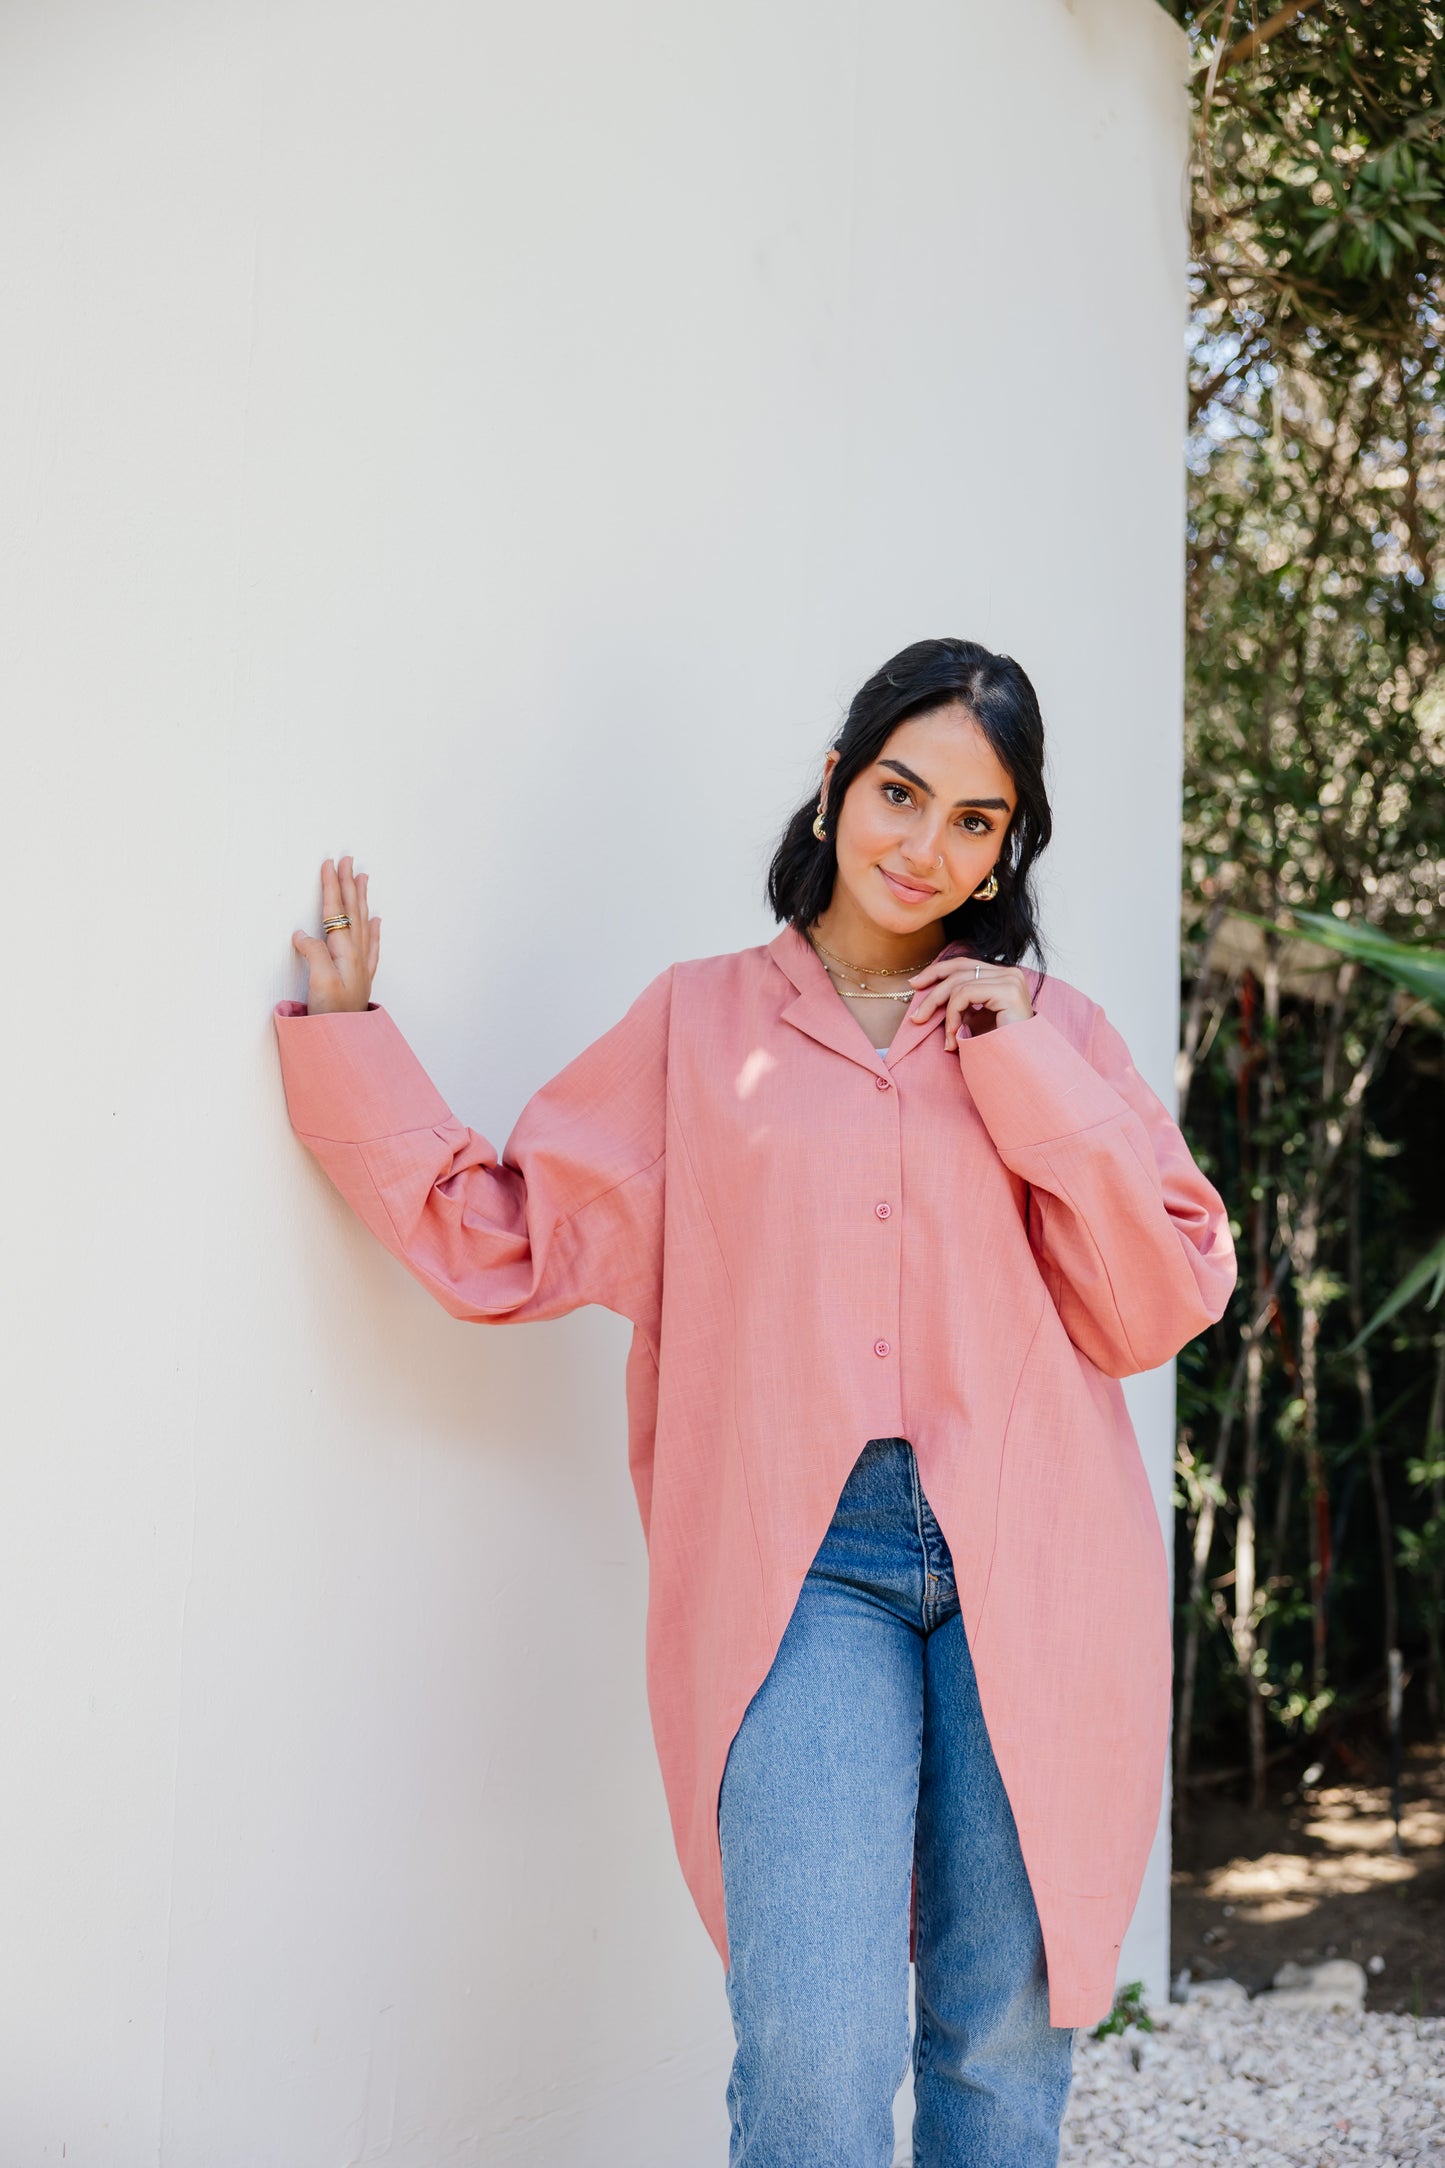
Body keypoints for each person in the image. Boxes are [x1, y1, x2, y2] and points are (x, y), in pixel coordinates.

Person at [274, 637, 1236, 2167]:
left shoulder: (1058, 1037)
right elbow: (508, 1233)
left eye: (973, 821)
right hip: (803, 1576)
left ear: (1007, 850)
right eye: (900, 793)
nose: (924, 847)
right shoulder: (698, 1027)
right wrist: (350, 1044)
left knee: (1001, 2041)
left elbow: (1159, 1299)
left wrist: (1020, 1063)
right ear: (837, 785)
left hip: (1036, 1573)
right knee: (813, 2054)